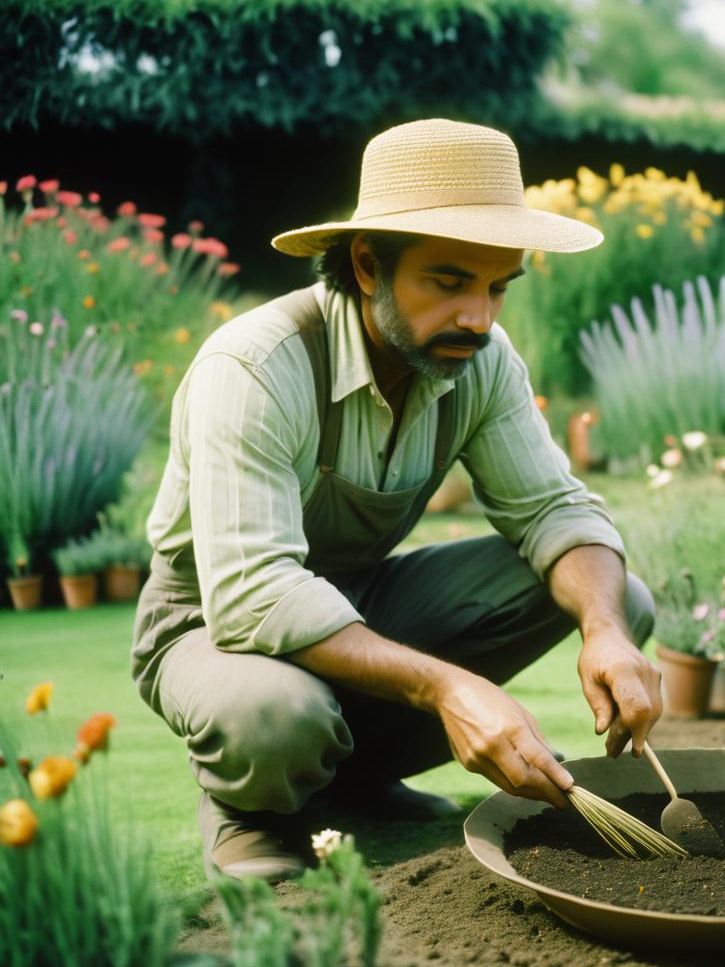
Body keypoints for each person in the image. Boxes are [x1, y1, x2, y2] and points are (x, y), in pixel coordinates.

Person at [130, 118, 661, 882]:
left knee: (613, 596)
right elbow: (252, 596)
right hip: (210, 623)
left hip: (360, 598)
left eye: (497, 286)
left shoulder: (479, 359)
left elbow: (556, 511)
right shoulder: (254, 367)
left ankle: (358, 780)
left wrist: (607, 631)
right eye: (449, 282)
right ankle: (250, 812)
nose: (478, 318)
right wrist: (448, 684)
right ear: (369, 265)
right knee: (276, 716)